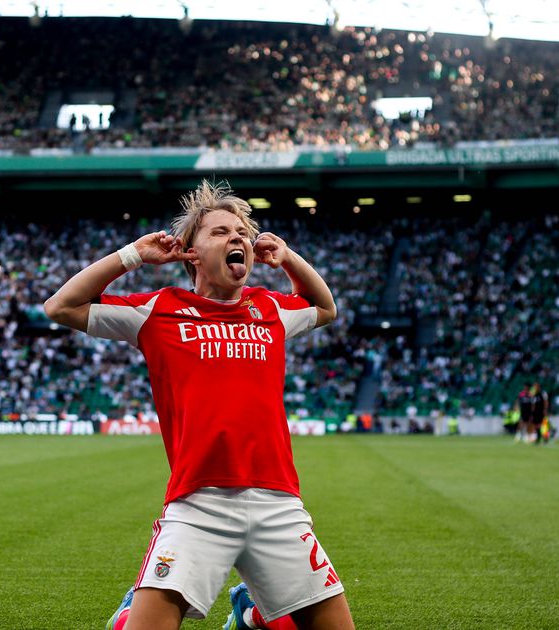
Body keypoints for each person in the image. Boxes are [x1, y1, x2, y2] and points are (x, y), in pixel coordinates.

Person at [45, 181, 354, 630]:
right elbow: (60, 307)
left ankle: (253, 617)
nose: (238, 239)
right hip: (198, 504)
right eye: (220, 232)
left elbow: (325, 308)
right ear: (190, 253)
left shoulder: (269, 308)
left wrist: (287, 258)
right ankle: (137, 610)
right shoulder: (157, 310)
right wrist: (133, 255)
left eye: (243, 233)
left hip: (279, 503)